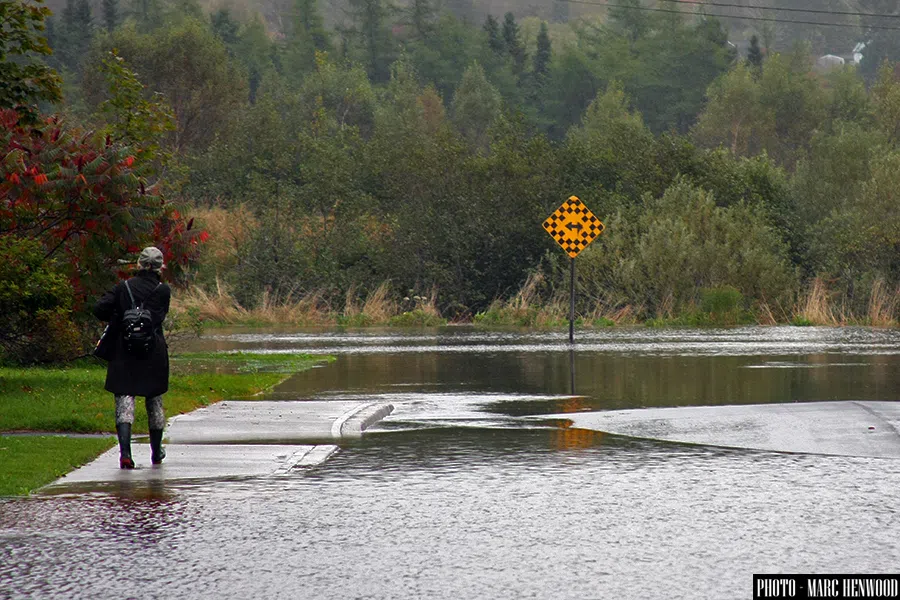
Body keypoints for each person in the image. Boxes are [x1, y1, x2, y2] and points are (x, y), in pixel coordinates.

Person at [94, 246, 172, 469]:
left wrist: (120, 315)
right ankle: (156, 452)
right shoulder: (163, 290)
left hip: (124, 349)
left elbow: (99, 309)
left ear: (138, 264)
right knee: (154, 399)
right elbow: (159, 317)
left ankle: (125, 453)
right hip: (153, 350)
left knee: (124, 400)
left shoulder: (123, 287)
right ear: (160, 266)